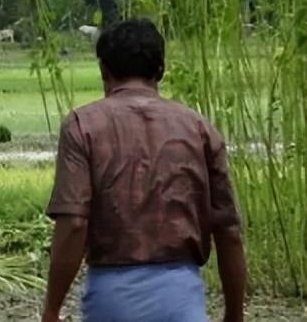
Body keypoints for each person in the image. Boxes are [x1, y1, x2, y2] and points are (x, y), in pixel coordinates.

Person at [41, 18, 247, 322]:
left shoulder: (83, 126)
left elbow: (73, 224)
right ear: (160, 70)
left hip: (111, 298)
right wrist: (234, 314)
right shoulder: (199, 128)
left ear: (103, 71)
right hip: (182, 297)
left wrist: (52, 309)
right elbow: (228, 233)